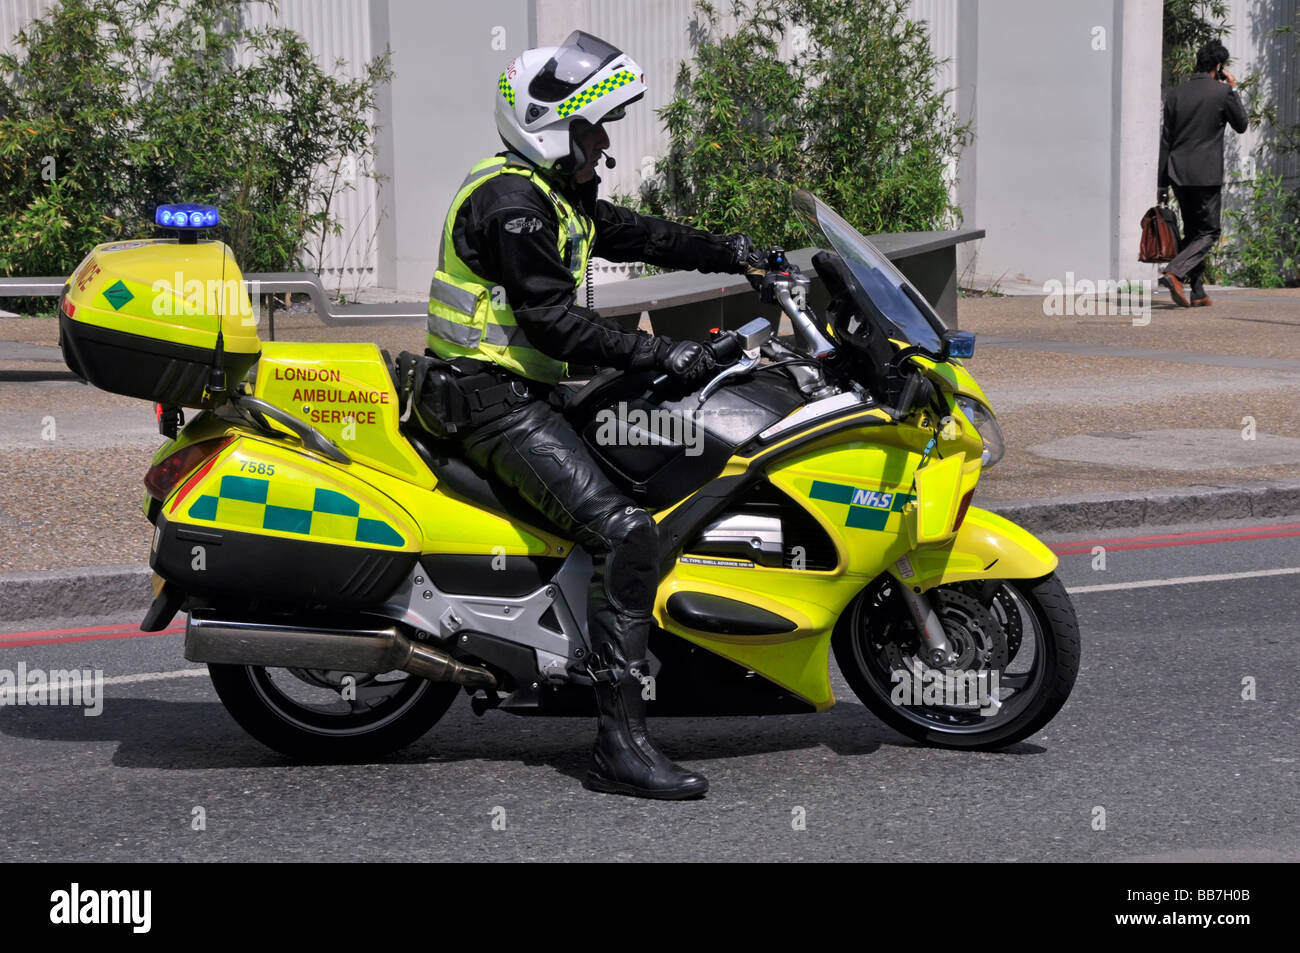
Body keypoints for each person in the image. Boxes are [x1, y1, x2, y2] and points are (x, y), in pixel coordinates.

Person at [423, 31, 759, 799]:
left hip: (521, 391)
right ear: (551, 129)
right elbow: (552, 327)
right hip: (489, 400)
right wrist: (659, 355)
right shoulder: (512, 205)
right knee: (626, 530)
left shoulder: (548, 194)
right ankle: (619, 739)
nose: (602, 145)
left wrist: (734, 251)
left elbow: (636, 232)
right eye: (592, 129)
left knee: (652, 467)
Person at [1157, 39, 1248, 308]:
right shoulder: (1222, 93)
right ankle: (1174, 272)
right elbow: (1241, 124)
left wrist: (1161, 183)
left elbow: (1166, 141)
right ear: (1219, 66)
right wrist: (1233, 89)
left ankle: (1197, 291)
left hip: (1178, 173)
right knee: (1209, 232)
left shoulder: (1175, 94)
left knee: (1193, 230)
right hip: (1205, 174)